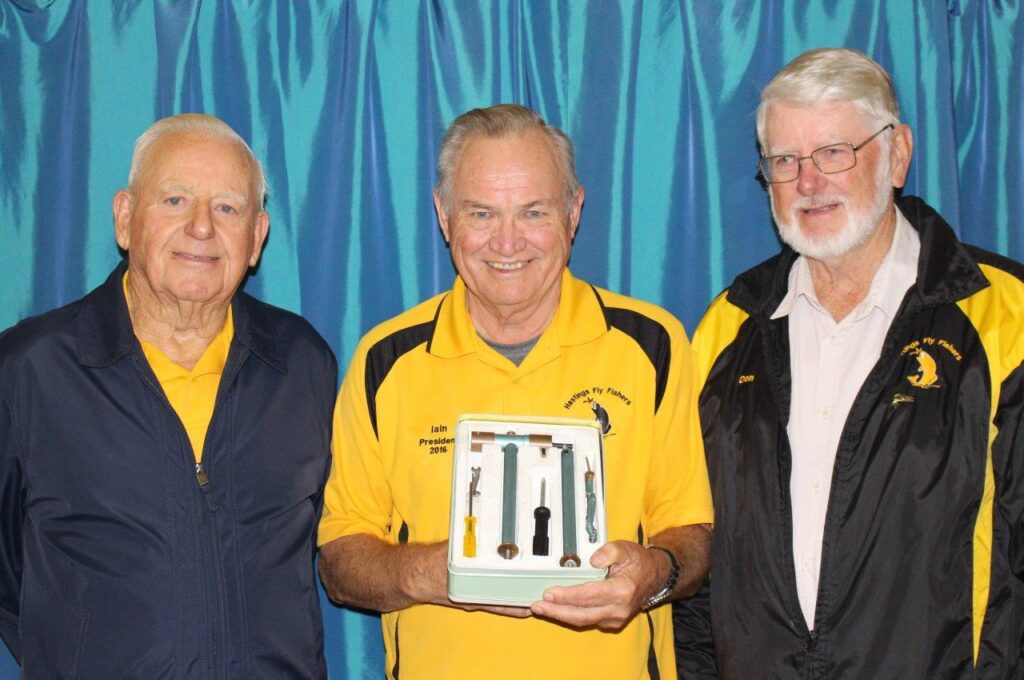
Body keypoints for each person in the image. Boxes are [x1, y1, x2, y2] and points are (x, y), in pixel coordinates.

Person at [318, 103, 713, 679]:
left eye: (533, 211)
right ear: (444, 215)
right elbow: (340, 560)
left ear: (574, 212)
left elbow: (692, 531)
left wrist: (652, 573)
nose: (507, 242)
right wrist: (441, 572)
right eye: (481, 213)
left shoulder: (652, 345)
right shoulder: (386, 361)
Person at [674, 48, 1024, 679]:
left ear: (897, 154)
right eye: (785, 161)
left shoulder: (1005, 317)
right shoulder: (728, 328)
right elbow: (697, 548)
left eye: (834, 152)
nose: (808, 183)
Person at [0, 114, 336, 678]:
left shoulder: (301, 361)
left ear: (256, 238)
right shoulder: (30, 368)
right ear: (126, 219)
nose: (202, 228)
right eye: (175, 200)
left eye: (227, 208)